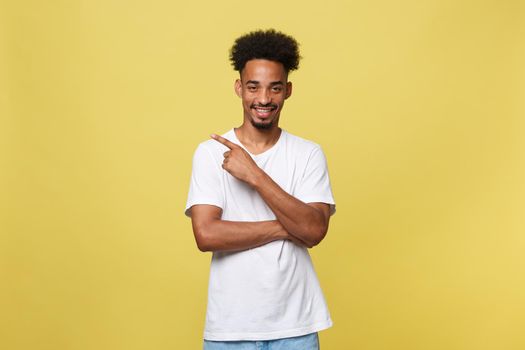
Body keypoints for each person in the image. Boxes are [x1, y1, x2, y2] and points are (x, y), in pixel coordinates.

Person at [185, 29, 336, 350]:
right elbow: (206, 235)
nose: (264, 99)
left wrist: (254, 174)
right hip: (230, 328)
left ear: (288, 91)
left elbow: (313, 231)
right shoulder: (210, 153)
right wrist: (287, 229)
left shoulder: (308, 153)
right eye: (253, 87)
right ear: (239, 88)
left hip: (296, 325)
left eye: (275, 88)